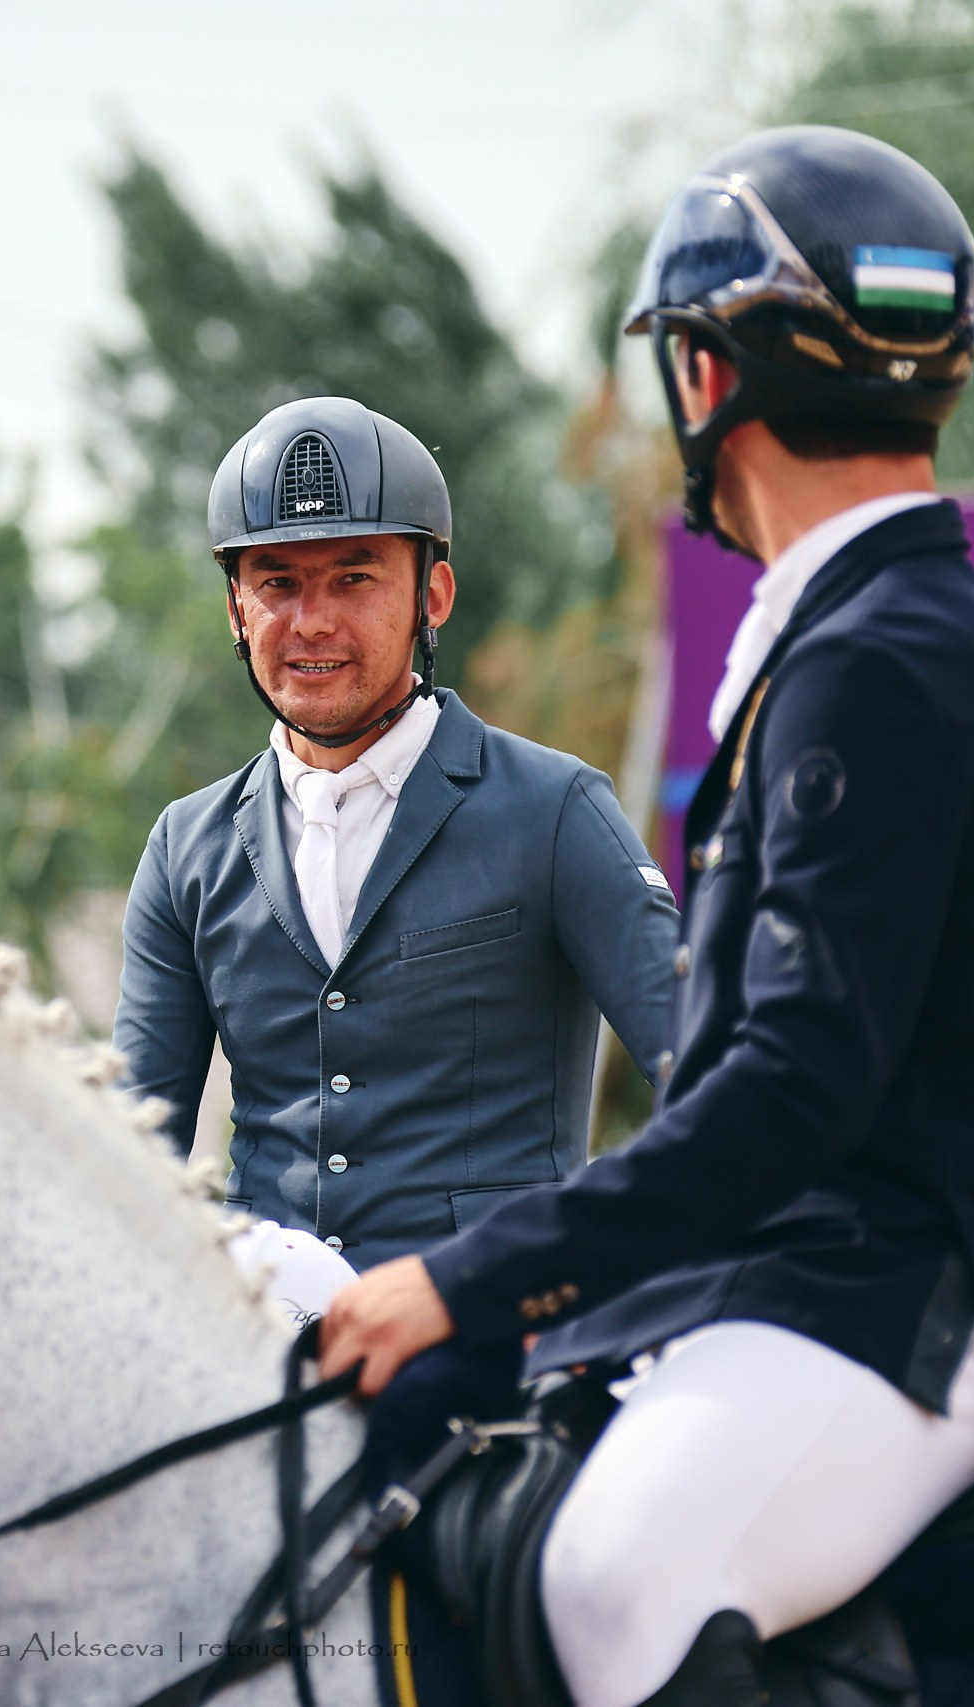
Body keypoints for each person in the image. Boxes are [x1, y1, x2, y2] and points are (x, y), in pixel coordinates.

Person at [318, 126, 974, 1707]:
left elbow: (796, 1090)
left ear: (708, 376)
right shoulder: (875, 631)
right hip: (805, 1276)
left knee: (615, 1576)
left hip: (905, 1300)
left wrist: (472, 1271)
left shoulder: (880, 658)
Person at [116, 397, 679, 1303]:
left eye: (353, 578)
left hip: (498, 1339)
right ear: (234, 608)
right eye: (277, 582)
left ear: (434, 596)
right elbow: (130, 1148)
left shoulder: (556, 809)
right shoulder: (185, 846)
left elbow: (700, 1067)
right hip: (259, 1351)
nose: (311, 622)